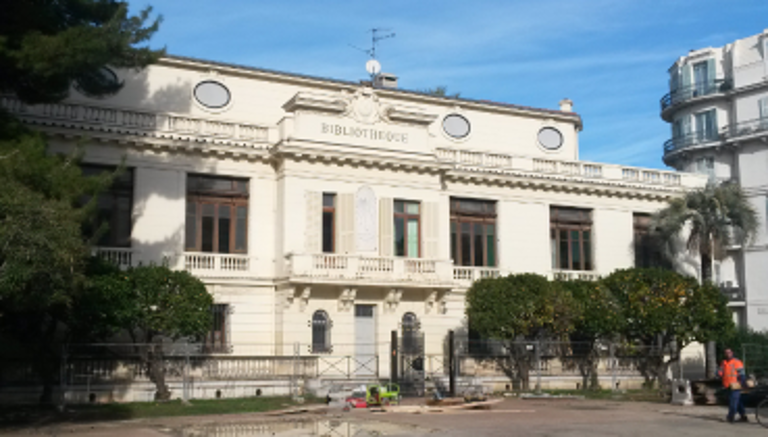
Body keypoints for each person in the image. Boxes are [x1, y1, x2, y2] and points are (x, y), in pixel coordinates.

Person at [718, 348, 748, 423]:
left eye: (729, 352)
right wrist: (719, 373)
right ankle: (743, 416)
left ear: (732, 353)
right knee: (737, 401)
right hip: (727, 385)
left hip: (735, 385)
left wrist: (742, 382)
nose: (728, 354)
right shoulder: (724, 362)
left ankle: (730, 417)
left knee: (733, 402)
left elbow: (742, 373)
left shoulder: (736, 362)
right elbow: (720, 371)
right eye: (726, 353)